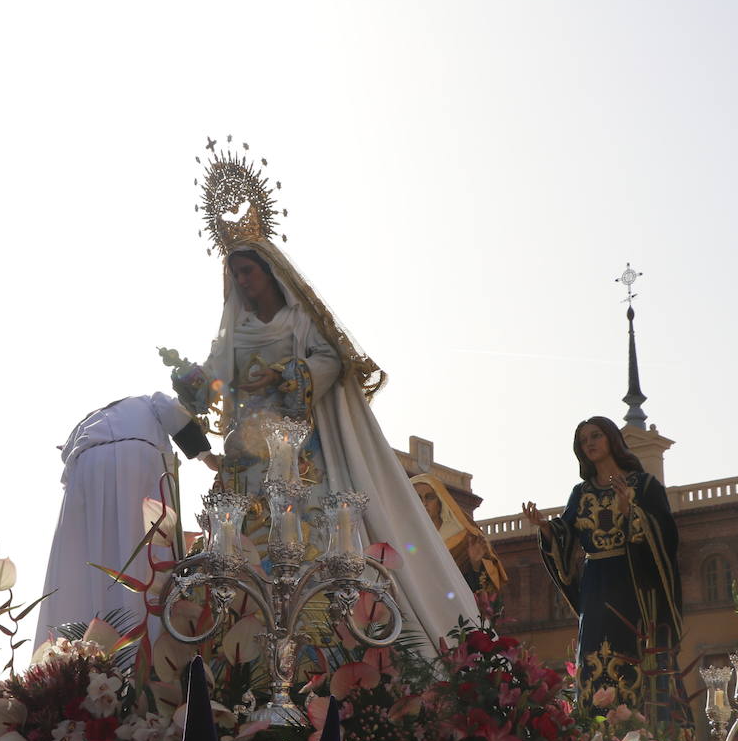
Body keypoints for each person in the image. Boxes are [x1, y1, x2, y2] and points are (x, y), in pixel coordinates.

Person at [179, 238, 480, 648]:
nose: (242, 281)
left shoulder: (299, 322)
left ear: (270, 271)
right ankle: (236, 637)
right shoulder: (236, 333)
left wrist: (286, 374)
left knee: (305, 543)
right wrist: (193, 384)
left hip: (296, 453)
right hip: (244, 460)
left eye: (248, 270)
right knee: (236, 547)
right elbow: (213, 381)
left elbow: (330, 360)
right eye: (236, 274)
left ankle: (316, 637)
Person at [525, 416, 682, 712]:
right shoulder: (581, 493)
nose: (590, 444)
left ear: (611, 439)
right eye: (584, 441)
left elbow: (666, 536)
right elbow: (567, 532)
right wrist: (547, 529)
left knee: (631, 652)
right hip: (595, 586)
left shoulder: (644, 485)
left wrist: (631, 512)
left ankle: (642, 731)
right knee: (594, 655)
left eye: (596, 436)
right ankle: (595, 726)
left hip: (632, 583)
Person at [37, 393, 219, 643]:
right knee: (144, 547)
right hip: (136, 455)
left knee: (84, 561)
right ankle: (146, 642)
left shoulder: (87, 424)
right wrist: (208, 457)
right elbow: (171, 410)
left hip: (83, 469)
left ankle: (75, 645)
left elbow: (65, 460)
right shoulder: (146, 401)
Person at [411, 473, 507, 608]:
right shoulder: (404, 537)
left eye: (430, 497)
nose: (424, 503)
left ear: (440, 501)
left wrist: (475, 563)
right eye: (418, 498)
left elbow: (484, 586)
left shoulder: (465, 536)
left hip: (456, 611)